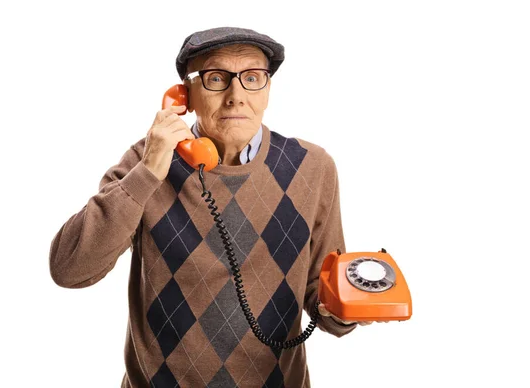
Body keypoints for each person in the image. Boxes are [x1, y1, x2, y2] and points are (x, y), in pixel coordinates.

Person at [50, 26, 373, 388]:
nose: (236, 96)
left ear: (267, 89)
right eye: (216, 78)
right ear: (185, 94)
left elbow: (324, 295)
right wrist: (149, 173)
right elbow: (70, 269)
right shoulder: (147, 160)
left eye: (253, 77)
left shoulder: (312, 167)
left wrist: (344, 309)